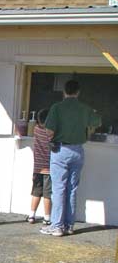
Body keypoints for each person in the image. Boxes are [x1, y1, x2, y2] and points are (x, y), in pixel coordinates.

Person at [40, 80, 101, 237]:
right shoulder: (85, 108)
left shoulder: (57, 108)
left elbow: (49, 131)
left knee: (59, 188)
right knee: (72, 189)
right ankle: (69, 225)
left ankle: (57, 226)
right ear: (78, 92)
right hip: (78, 151)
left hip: (61, 150)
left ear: (64, 91)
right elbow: (97, 121)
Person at [26, 108, 52, 225]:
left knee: (36, 192)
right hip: (49, 169)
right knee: (47, 194)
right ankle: (47, 218)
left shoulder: (36, 129)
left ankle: (31, 215)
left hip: (37, 168)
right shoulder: (51, 133)